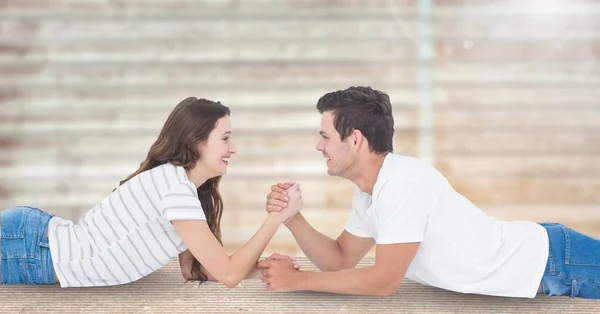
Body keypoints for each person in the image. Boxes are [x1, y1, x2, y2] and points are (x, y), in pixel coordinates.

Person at [259, 86, 600, 299]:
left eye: (325, 136)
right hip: (546, 262)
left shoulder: (403, 183)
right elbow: (340, 260)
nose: (319, 146)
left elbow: (383, 281)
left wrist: (297, 281)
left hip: (554, 261)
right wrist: (293, 218)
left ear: (356, 140)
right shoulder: (370, 192)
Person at [0, 97, 302, 288]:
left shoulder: (183, 191)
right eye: (225, 139)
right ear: (196, 142)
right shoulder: (175, 190)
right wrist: (276, 218)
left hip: (34, 244)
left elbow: (194, 269)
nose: (233, 148)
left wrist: (263, 268)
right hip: (30, 248)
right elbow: (228, 274)